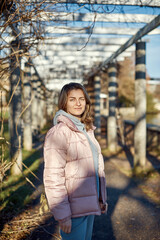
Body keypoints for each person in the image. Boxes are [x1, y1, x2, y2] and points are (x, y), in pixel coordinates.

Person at [43, 82, 107, 240]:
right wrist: (63, 215)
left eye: (82, 99)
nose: (78, 103)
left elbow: (96, 168)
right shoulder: (59, 133)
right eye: (72, 99)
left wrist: (100, 199)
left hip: (89, 204)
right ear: (64, 102)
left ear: (87, 102)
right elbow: (53, 177)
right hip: (72, 209)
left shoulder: (85, 129)